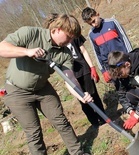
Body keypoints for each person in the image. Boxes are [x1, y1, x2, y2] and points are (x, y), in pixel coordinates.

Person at [0, 13, 92, 155]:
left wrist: (82, 96)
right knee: (34, 132)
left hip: (42, 88)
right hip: (17, 91)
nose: (70, 41)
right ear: (57, 29)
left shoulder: (65, 53)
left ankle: (77, 152)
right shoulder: (30, 33)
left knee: (61, 121)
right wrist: (27, 51)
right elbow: (2, 48)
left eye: (73, 38)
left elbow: (70, 79)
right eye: (68, 36)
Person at [81, 7, 133, 83]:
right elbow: (97, 53)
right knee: (122, 89)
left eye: (94, 21)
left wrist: (131, 56)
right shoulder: (91, 34)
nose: (93, 25)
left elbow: (124, 39)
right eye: (90, 24)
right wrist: (103, 70)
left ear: (97, 14)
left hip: (123, 60)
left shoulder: (112, 22)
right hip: (110, 67)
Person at [67, 35, 106, 129]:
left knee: (93, 95)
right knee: (83, 100)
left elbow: (83, 51)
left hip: (84, 70)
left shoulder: (73, 34)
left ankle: (103, 118)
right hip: (71, 73)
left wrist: (92, 67)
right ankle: (94, 122)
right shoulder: (56, 43)